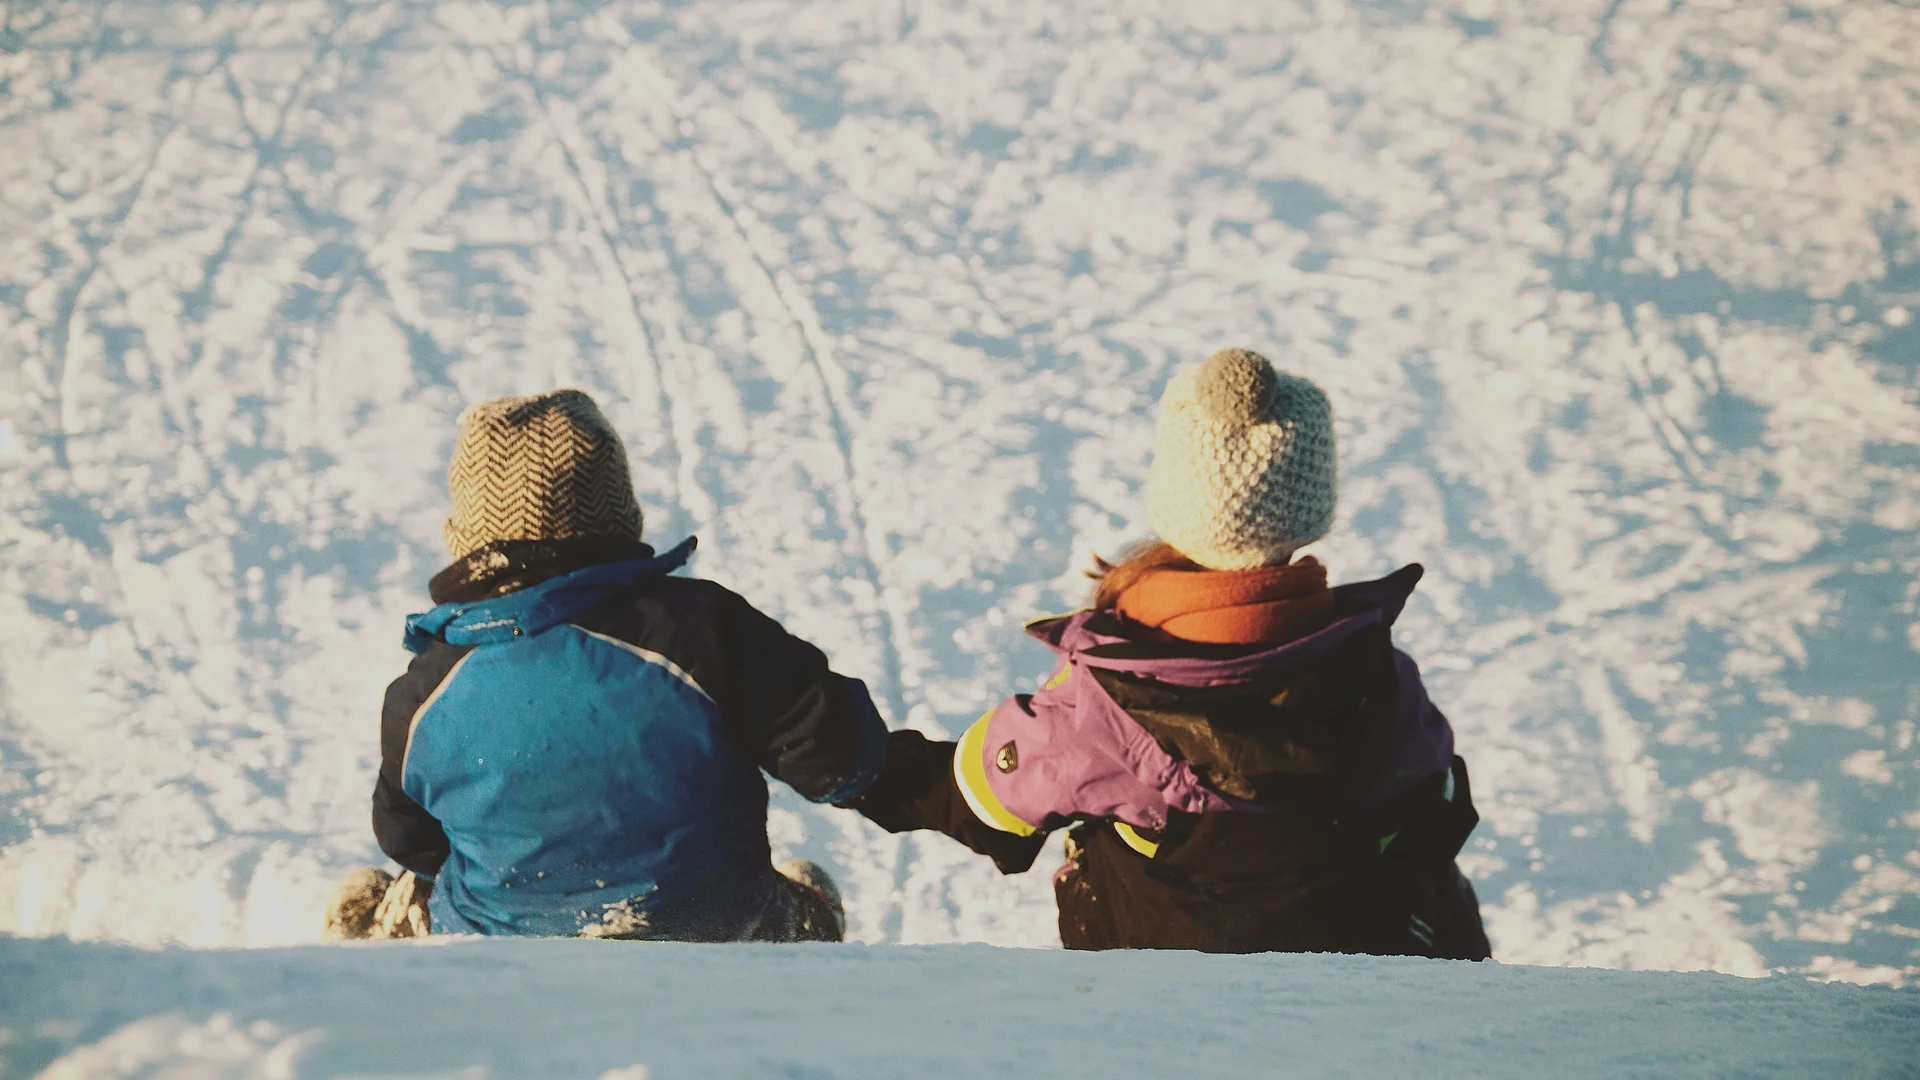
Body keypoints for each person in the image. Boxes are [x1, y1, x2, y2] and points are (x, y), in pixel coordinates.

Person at [852, 349, 1492, 957]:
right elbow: (1432, 812)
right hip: (1349, 956)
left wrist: (849, 759)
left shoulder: (1104, 711)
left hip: (1161, 978)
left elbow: (979, 797)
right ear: (1310, 505)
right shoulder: (1381, 679)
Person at [324, 389, 882, 942]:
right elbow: (838, 758)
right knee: (794, 895)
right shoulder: (701, 631)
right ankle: (808, 926)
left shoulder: (427, 688)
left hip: (503, 944)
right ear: (620, 514)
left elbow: (410, 842)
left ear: (469, 537)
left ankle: (390, 929)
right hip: (714, 930)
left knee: (425, 881)